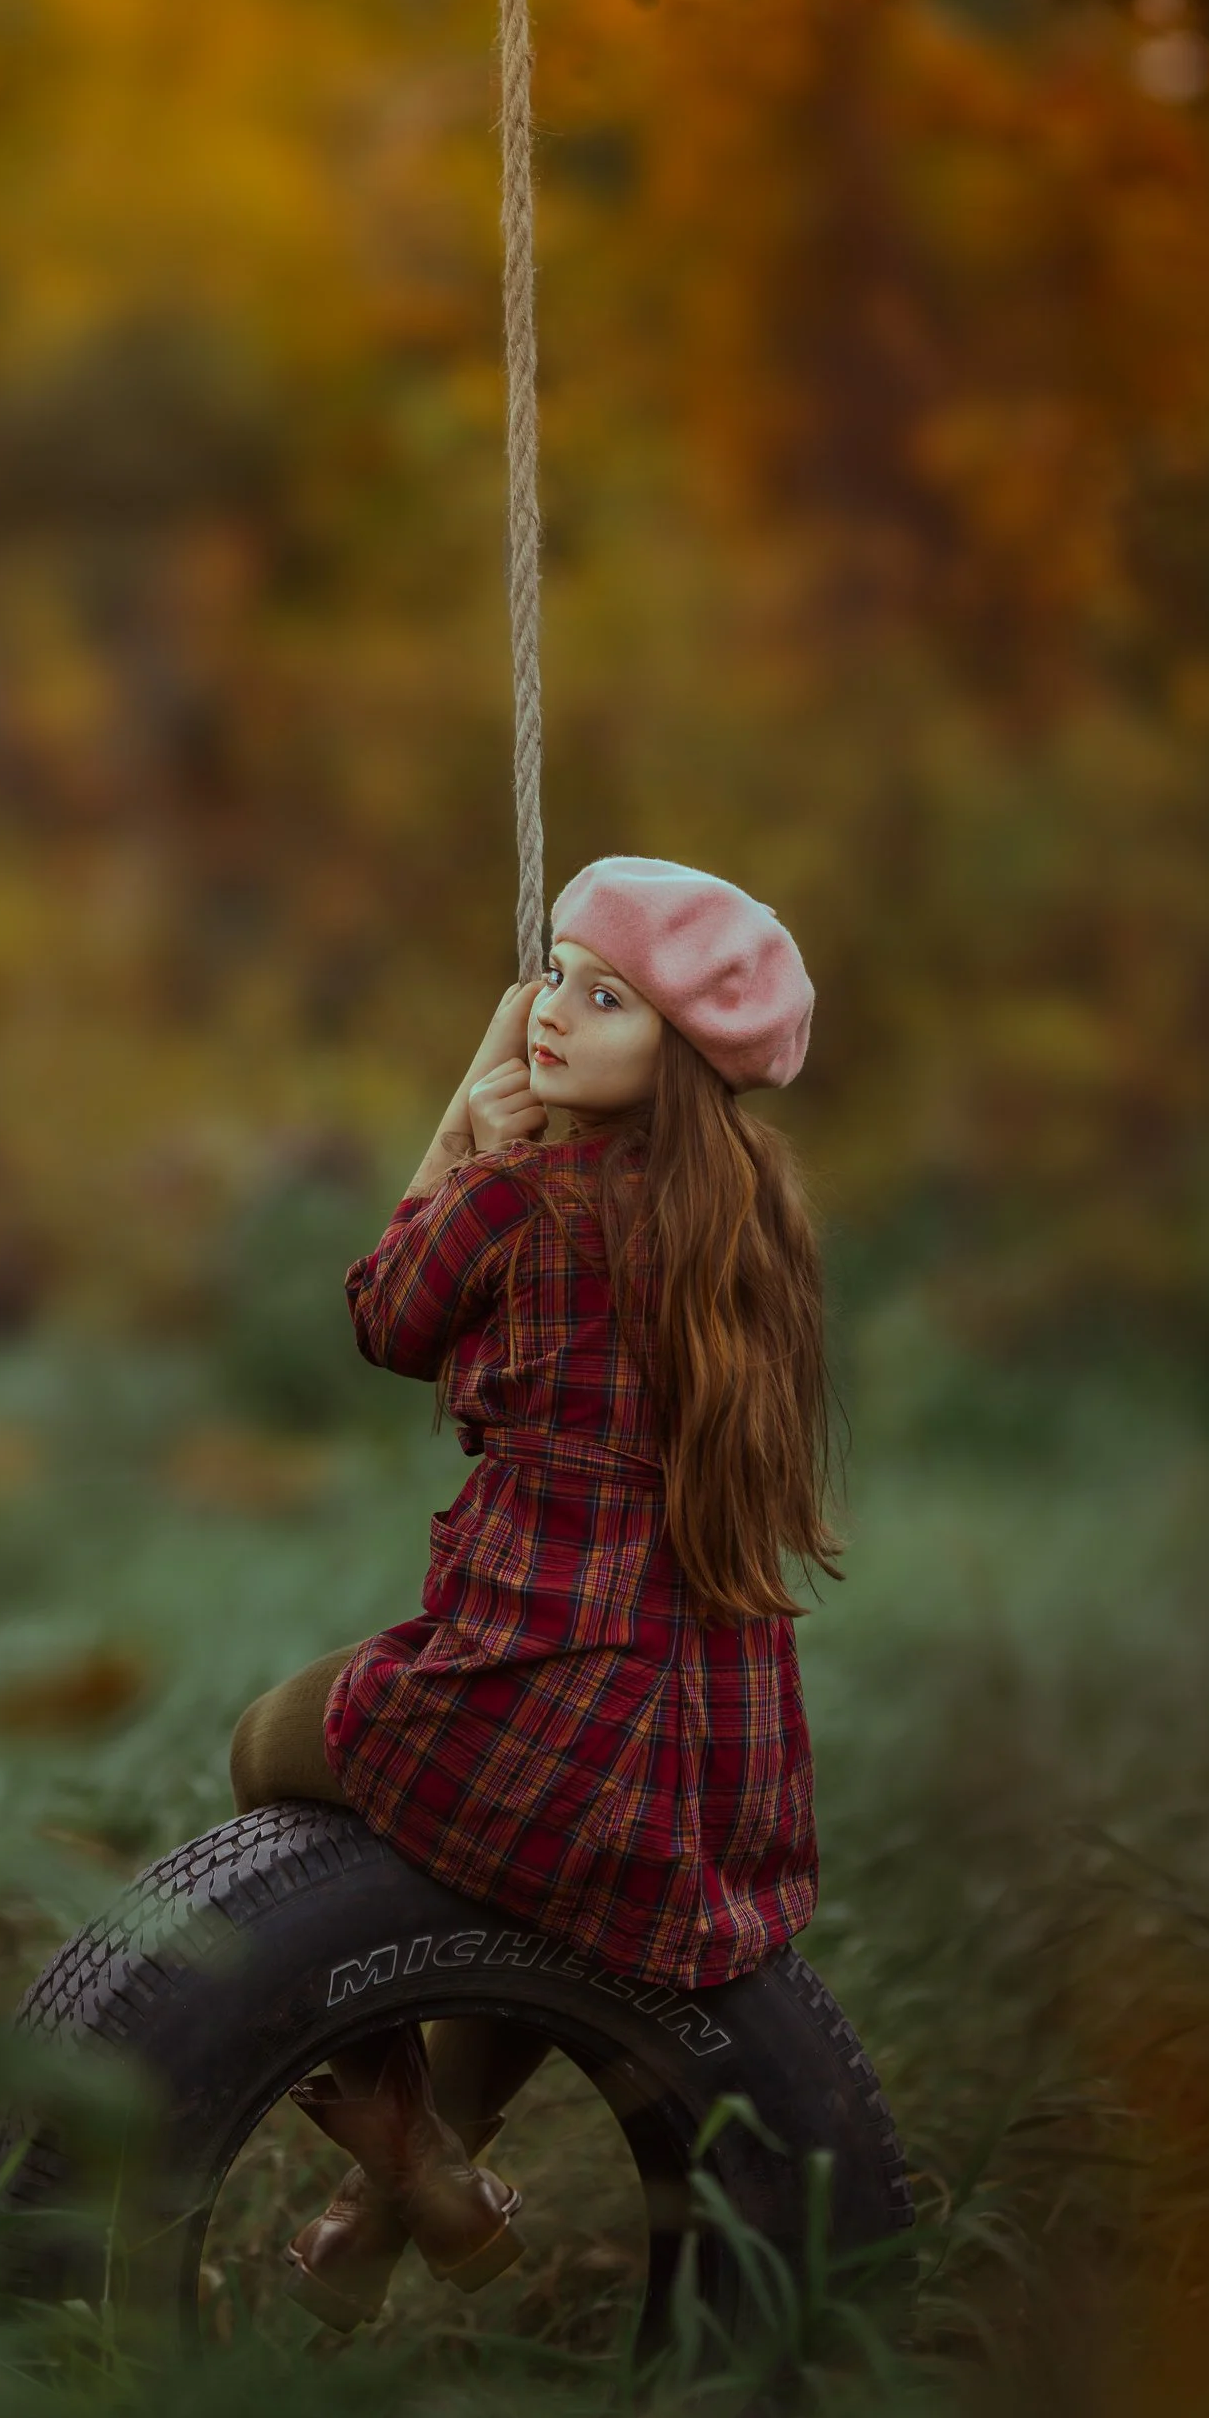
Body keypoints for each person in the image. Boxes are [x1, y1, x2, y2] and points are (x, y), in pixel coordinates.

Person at [227, 853, 838, 2331]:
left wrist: (463, 1128)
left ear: (681, 1052)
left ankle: (408, 2152)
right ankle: (401, 2212)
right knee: (536, 1917)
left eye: (603, 994)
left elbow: (385, 1317)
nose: (551, 1010)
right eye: (554, 972)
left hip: (543, 1684)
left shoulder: (527, 1197)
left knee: (271, 1746)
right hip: (703, 1741)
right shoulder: (756, 1221)